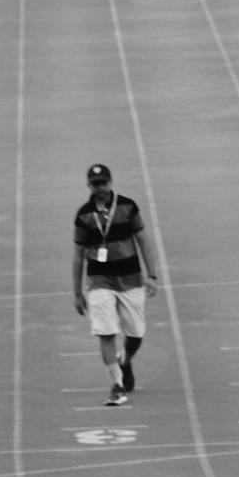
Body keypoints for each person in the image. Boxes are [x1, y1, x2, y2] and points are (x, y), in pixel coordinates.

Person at [72, 164, 160, 407]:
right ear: (89, 185)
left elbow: (143, 239)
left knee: (135, 333)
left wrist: (152, 275)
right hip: (99, 281)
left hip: (130, 278)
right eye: (95, 184)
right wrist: (77, 292)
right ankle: (117, 385)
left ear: (110, 183)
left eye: (103, 183)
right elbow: (78, 255)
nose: (99, 188)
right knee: (106, 331)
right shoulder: (84, 215)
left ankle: (126, 359)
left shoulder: (128, 207)